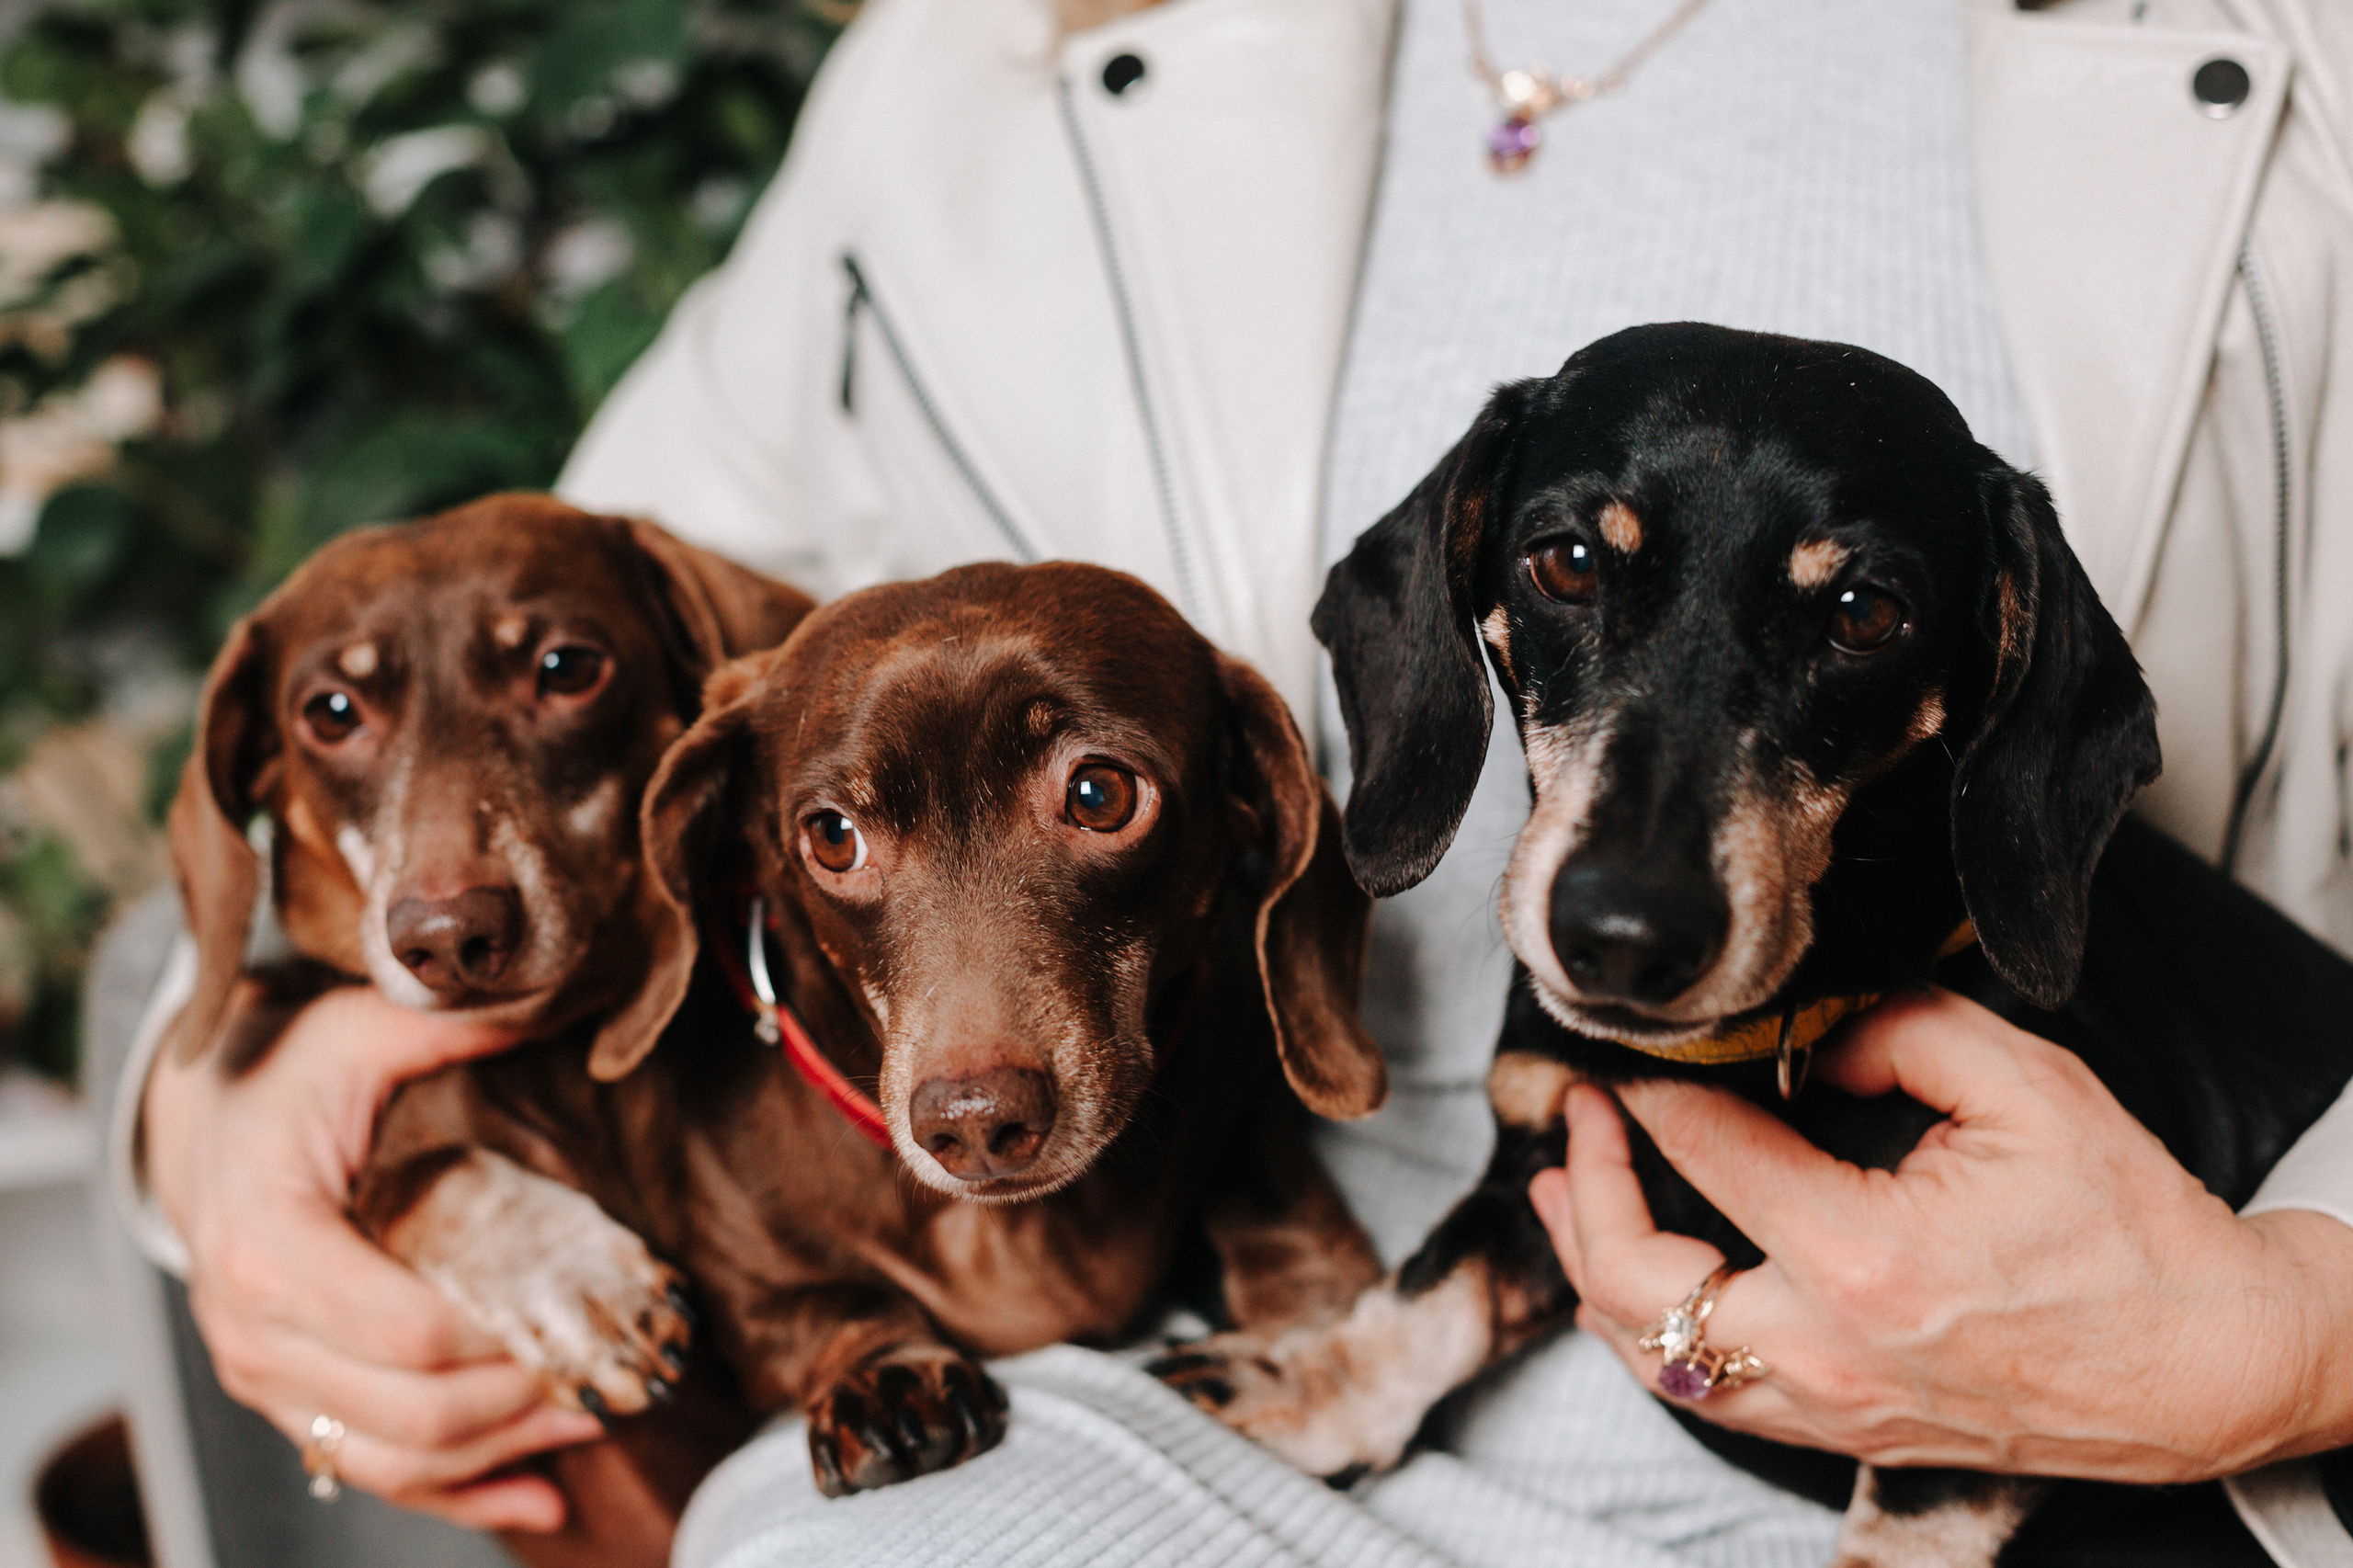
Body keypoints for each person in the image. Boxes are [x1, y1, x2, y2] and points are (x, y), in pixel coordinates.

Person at [111, 0, 2353, 1562]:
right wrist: (228, 1095)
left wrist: (2278, 1337)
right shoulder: (970, 72)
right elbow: (535, 679)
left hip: (2135, 1465)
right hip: (1201, 1379)